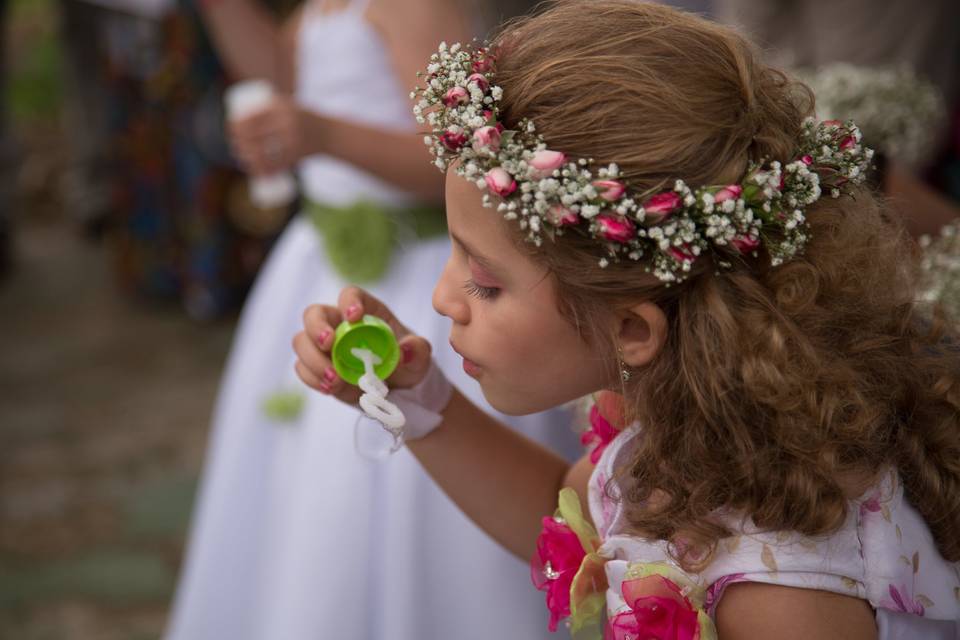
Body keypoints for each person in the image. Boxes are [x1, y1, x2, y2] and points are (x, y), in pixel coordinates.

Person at [294, 2, 960, 638]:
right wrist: (416, 399)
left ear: (635, 331)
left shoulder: (781, 593)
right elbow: (563, 505)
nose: (444, 299)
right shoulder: (688, 431)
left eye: (486, 282)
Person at [164, 0, 579, 639]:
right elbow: (282, 72)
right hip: (321, 259)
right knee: (308, 497)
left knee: (381, 490)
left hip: (409, 274)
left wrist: (322, 135)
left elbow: (461, 150)